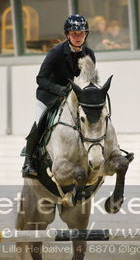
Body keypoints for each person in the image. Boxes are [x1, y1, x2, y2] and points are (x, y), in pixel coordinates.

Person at [22, 14, 96, 178]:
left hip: (72, 96)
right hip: (49, 95)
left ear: (86, 34)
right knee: (40, 121)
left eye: (81, 33)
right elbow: (40, 79)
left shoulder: (89, 53)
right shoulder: (55, 52)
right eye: (74, 34)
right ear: (68, 35)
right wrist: (60, 90)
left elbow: (88, 80)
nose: (78, 37)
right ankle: (28, 161)